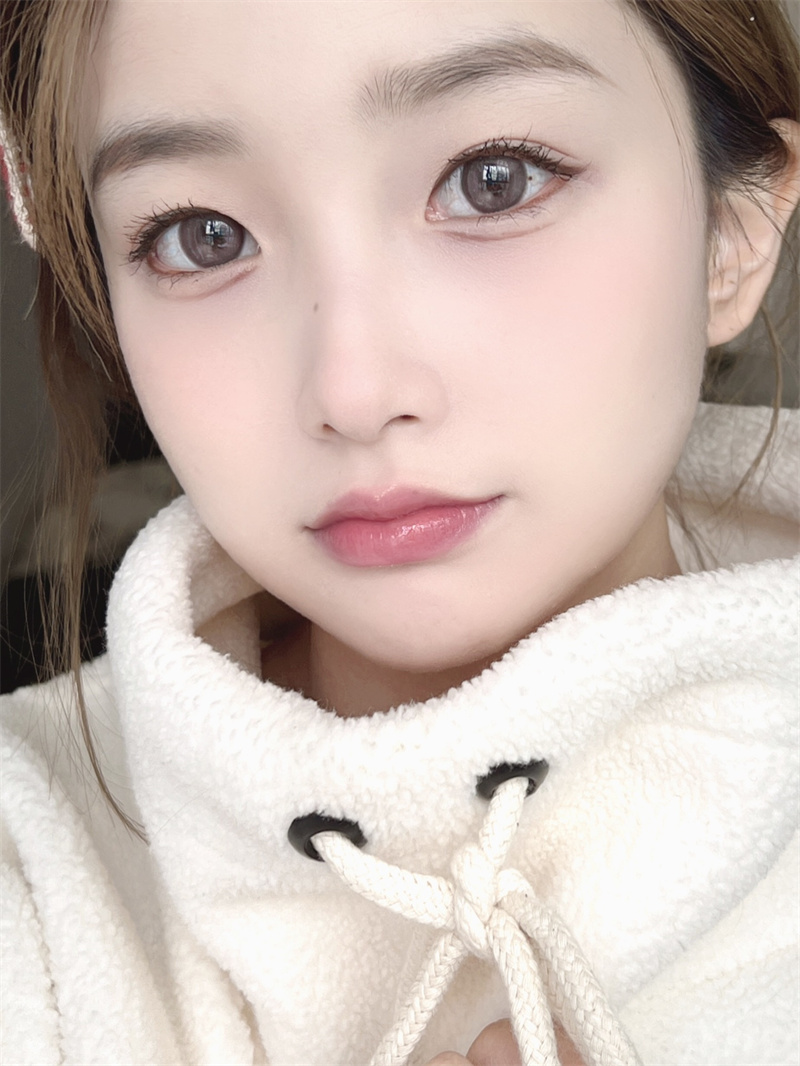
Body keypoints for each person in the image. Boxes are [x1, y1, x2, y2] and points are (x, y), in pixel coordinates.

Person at [1, 0, 798, 1063]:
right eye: (202, 236)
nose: (355, 391)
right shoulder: (31, 862)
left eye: (492, 180)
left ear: (734, 230)